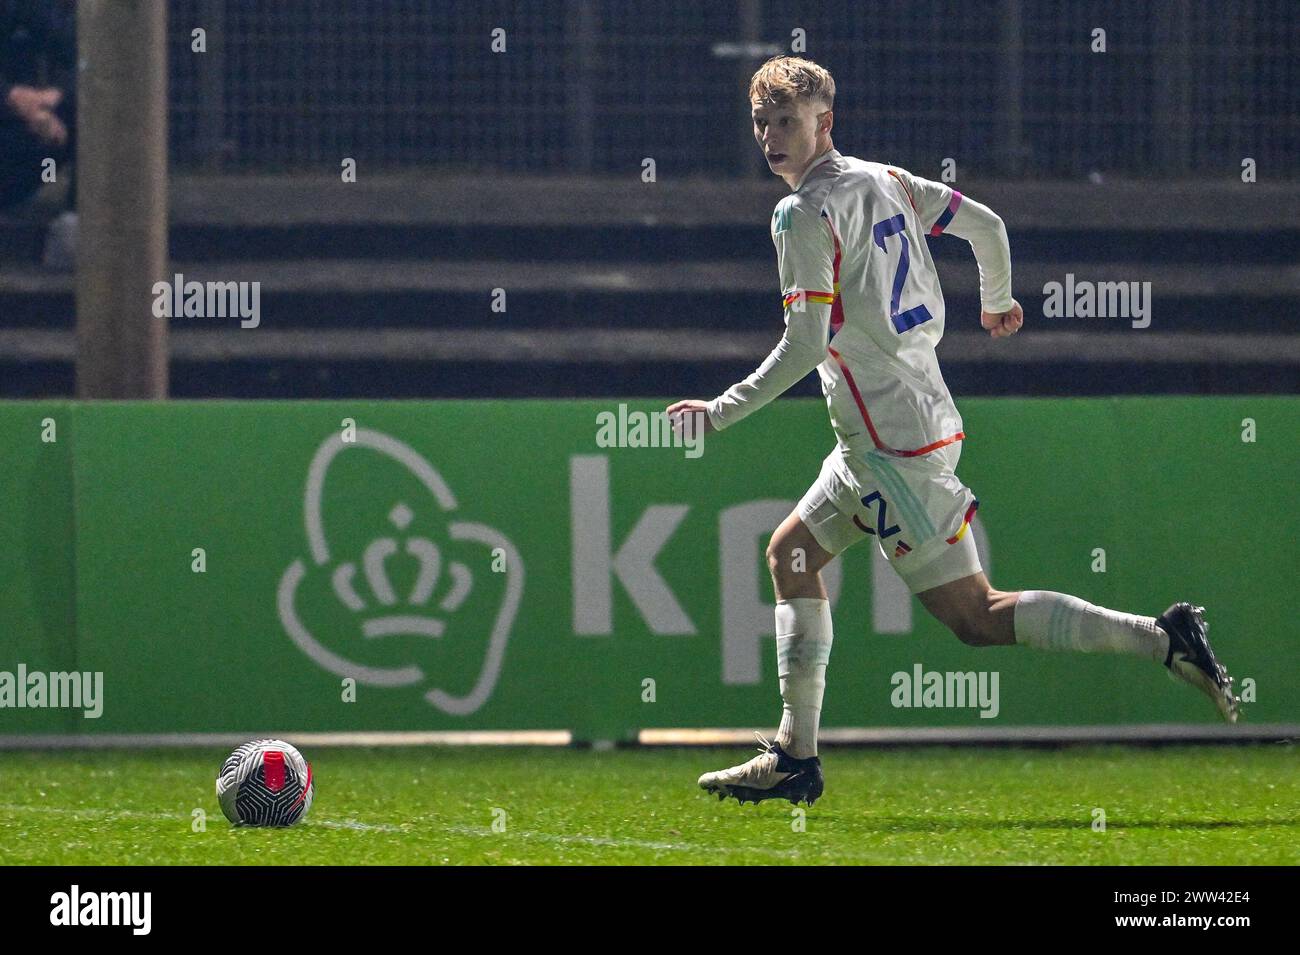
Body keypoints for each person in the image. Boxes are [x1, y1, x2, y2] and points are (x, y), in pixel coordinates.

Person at [666, 56, 1238, 807]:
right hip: (885, 433)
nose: (770, 137)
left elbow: (805, 343)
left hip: (894, 446)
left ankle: (1163, 637)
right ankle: (795, 753)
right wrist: (996, 301)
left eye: (786, 122)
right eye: (761, 123)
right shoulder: (889, 180)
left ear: (823, 123)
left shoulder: (801, 213)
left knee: (975, 616)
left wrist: (720, 410)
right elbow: (986, 224)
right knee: (792, 553)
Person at [1, 0, 77, 266]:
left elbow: (91, 59)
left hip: (15, 153)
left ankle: (76, 226)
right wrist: (11, 99)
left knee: (93, 108)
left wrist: (55, 99)